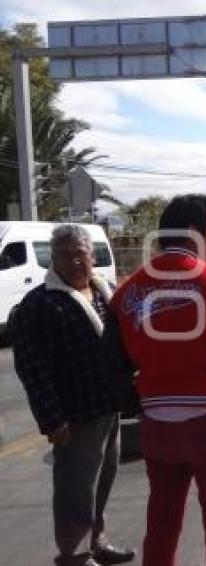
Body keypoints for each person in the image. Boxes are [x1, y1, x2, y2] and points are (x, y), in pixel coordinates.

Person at [103, 194, 206, 566]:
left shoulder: (127, 291)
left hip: (159, 428)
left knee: (161, 523)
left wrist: (144, 399)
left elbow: (110, 368)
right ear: (195, 233)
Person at [12, 225, 135, 566]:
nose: (77, 262)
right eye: (68, 256)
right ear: (54, 259)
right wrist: (52, 418)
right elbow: (33, 369)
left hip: (108, 406)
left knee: (104, 478)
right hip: (74, 415)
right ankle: (74, 555)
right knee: (75, 488)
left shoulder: (103, 290)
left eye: (82, 254)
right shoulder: (40, 304)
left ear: (92, 256)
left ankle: (96, 542)